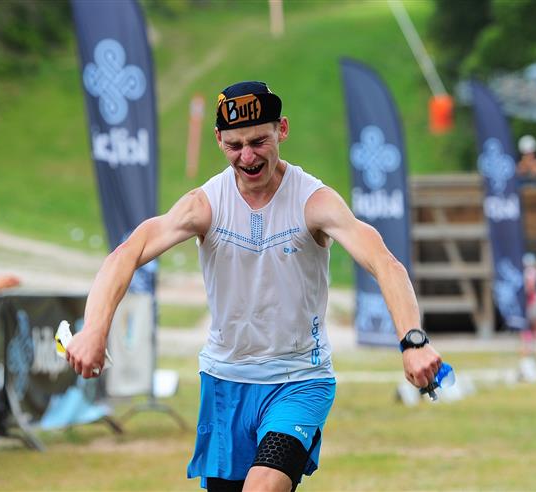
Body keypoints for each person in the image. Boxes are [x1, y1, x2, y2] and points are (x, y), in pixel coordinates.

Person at [66, 81, 442, 492]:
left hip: (298, 380)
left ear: (282, 129)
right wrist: (94, 330)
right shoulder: (205, 204)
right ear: (218, 139)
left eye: (258, 141)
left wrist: (413, 341)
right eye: (235, 145)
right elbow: (126, 254)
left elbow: (385, 264)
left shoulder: (313, 202)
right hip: (224, 381)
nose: (247, 157)